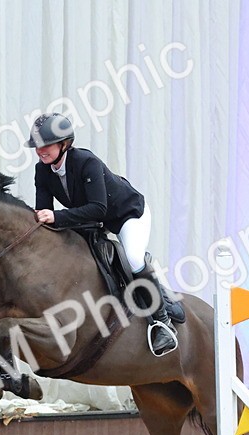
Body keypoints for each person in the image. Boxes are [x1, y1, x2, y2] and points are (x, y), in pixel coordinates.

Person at [25, 112, 180, 356]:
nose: (40, 151)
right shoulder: (42, 171)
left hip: (126, 214)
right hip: (92, 220)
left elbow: (99, 208)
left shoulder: (87, 162)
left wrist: (56, 217)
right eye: (37, 147)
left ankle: (162, 323)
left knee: (133, 259)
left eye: (46, 145)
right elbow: (45, 212)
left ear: (64, 144)